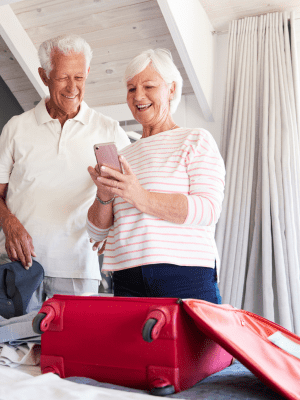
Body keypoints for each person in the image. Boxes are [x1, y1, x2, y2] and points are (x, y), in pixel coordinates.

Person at [0, 34, 131, 303]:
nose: (72, 87)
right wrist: (10, 223)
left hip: (77, 270)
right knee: (8, 345)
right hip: (17, 266)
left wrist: (115, 231)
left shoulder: (108, 130)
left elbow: (130, 192)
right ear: (44, 75)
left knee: (69, 347)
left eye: (79, 77)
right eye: (63, 77)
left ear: (87, 73)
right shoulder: (16, 127)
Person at [86, 49, 225, 303]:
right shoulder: (123, 154)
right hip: (126, 278)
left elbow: (208, 209)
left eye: (148, 86)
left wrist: (140, 196)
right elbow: (96, 233)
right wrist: (104, 195)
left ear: (171, 90)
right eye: (131, 89)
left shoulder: (195, 140)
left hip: (185, 276)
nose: (138, 96)